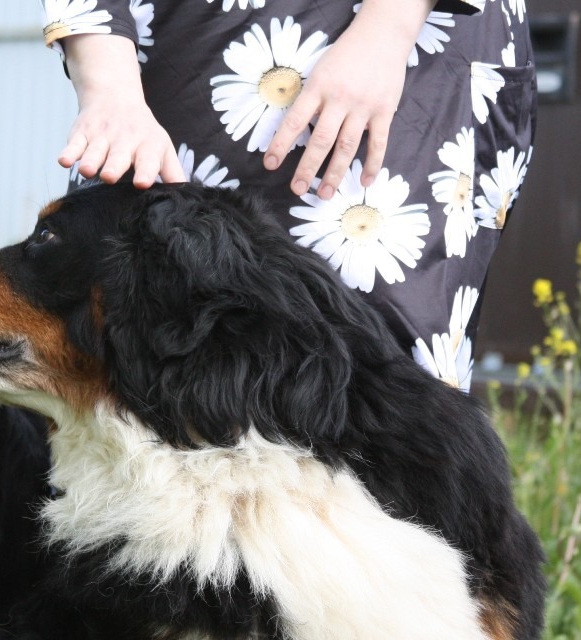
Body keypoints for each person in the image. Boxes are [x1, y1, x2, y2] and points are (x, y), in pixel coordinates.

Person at [41, 0, 536, 391]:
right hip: (160, 69)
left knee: (375, 390)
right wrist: (108, 86)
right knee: (130, 367)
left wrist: (388, 28)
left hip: (404, 51)